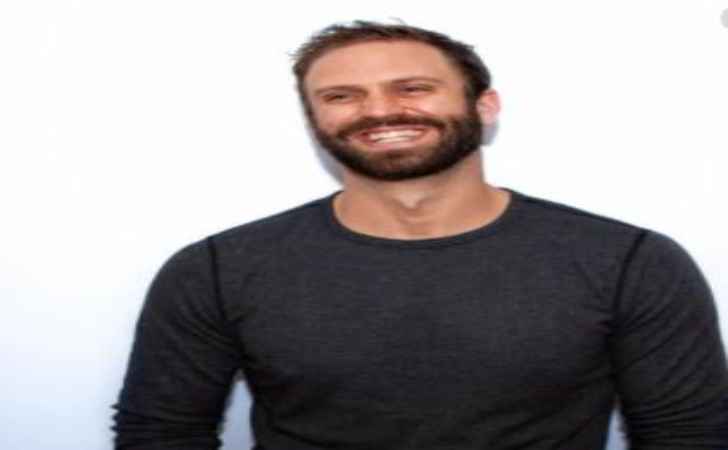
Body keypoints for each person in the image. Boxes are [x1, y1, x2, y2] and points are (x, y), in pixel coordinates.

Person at [112, 20, 728, 450]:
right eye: (342, 96)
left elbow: (688, 436)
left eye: (413, 88)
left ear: (484, 107)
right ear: (314, 119)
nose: (379, 111)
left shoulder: (627, 261)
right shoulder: (218, 269)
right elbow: (162, 435)